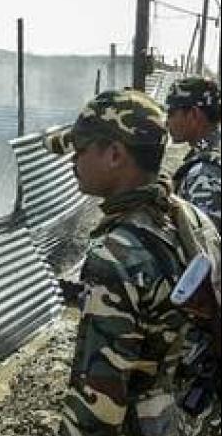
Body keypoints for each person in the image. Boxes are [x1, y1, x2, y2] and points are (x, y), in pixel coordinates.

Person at [44, 89, 221, 436]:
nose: (72, 162)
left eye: (80, 151)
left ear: (114, 154)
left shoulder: (116, 256)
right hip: (183, 413)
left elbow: (96, 411)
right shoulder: (184, 215)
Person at [166, 76, 221, 232]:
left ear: (194, 114)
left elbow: (206, 248)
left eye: (171, 112)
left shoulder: (204, 173)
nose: (167, 121)